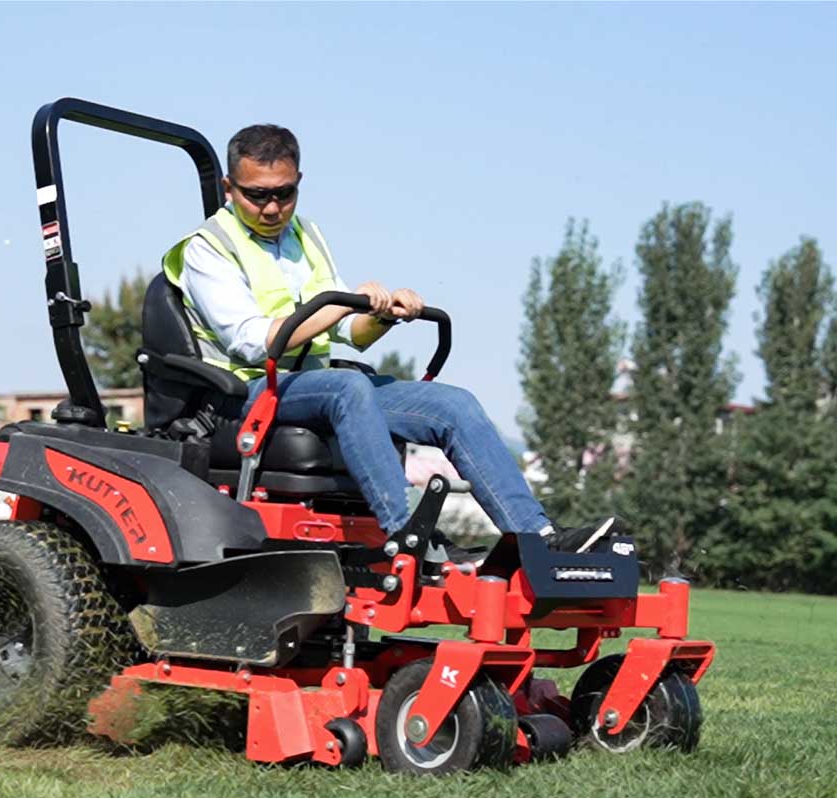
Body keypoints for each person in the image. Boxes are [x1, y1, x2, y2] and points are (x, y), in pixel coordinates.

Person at [162, 124, 621, 553]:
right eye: (257, 195)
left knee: (452, 404)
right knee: (348, 387)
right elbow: (251, 342)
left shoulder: (305, 236)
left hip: (312, 386)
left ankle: (538, 538)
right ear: (229, 188)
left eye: (284, 193)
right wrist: (343, 302)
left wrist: (384, 316)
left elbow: (349, 333)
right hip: (245, 392)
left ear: (299, 182)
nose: (271, 208)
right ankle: (408, 533)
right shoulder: (208, 248)